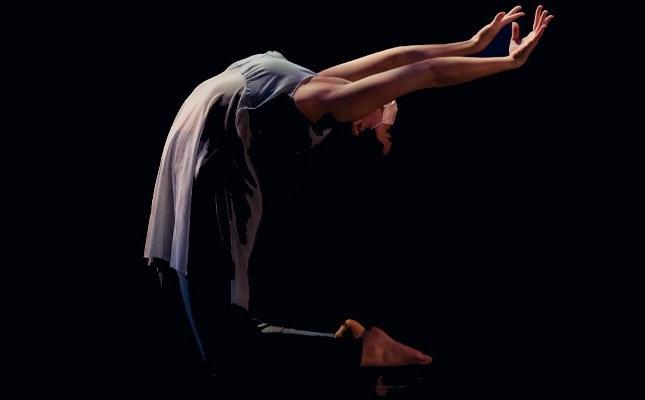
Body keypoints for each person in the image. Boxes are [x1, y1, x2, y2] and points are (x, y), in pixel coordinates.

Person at [144, 4, 553, 392]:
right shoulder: (324, 91)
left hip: (203, 131)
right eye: (383, 127)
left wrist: (484, 52)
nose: (378, 119)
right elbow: (412, 66)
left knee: (221, 341)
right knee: (223, 343)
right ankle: (359, 348)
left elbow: (408, 65)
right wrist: (485, 52)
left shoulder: (320, 92)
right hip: (210, 136)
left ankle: (356, 348)